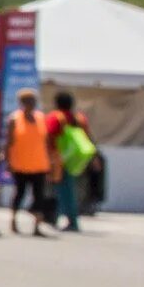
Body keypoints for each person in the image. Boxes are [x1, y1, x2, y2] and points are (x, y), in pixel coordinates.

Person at [4, 87, 54, 238]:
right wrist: (8, 161)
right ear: (21, 103)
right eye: (28, 101)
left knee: (39, 196)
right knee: (19, 193)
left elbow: (46, 142)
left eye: (33, 101)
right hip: (20, 164)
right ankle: (13, 220)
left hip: (39, 164)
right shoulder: (14, 119)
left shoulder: (41, 118)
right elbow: (9, 142)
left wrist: (51, 162)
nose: (31, 104)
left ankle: (37, 226)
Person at [46, 91, 91, 234]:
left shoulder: (56, 118)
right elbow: (87, 136)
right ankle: (69, 219)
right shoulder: (79, 118)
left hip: (58, 159)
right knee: (70, 190)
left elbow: (49, 137)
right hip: (76, 159)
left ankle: (63, 219)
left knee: (60, 190)